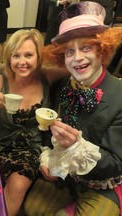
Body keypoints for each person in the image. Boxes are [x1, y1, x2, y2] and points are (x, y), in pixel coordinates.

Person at [24, 2, 122, 215]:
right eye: (69, 52)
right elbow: (43, 130)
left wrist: (76, 147)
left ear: (102, 50)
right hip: (64, 177)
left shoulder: (120, 95)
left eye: (86, 48)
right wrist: (45, 157)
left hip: (101, 185)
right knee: (31, 209)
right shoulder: (61, 87)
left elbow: (116, 164)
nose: (77, 58)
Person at [0, 28, 66, 216]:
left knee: (18, 185)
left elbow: (74, 67)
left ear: (38, 57)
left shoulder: (47, 76)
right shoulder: (0, 81)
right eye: (16, 55)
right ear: (9, 58)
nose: (22, 62)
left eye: (29, 55)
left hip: (31, 148)